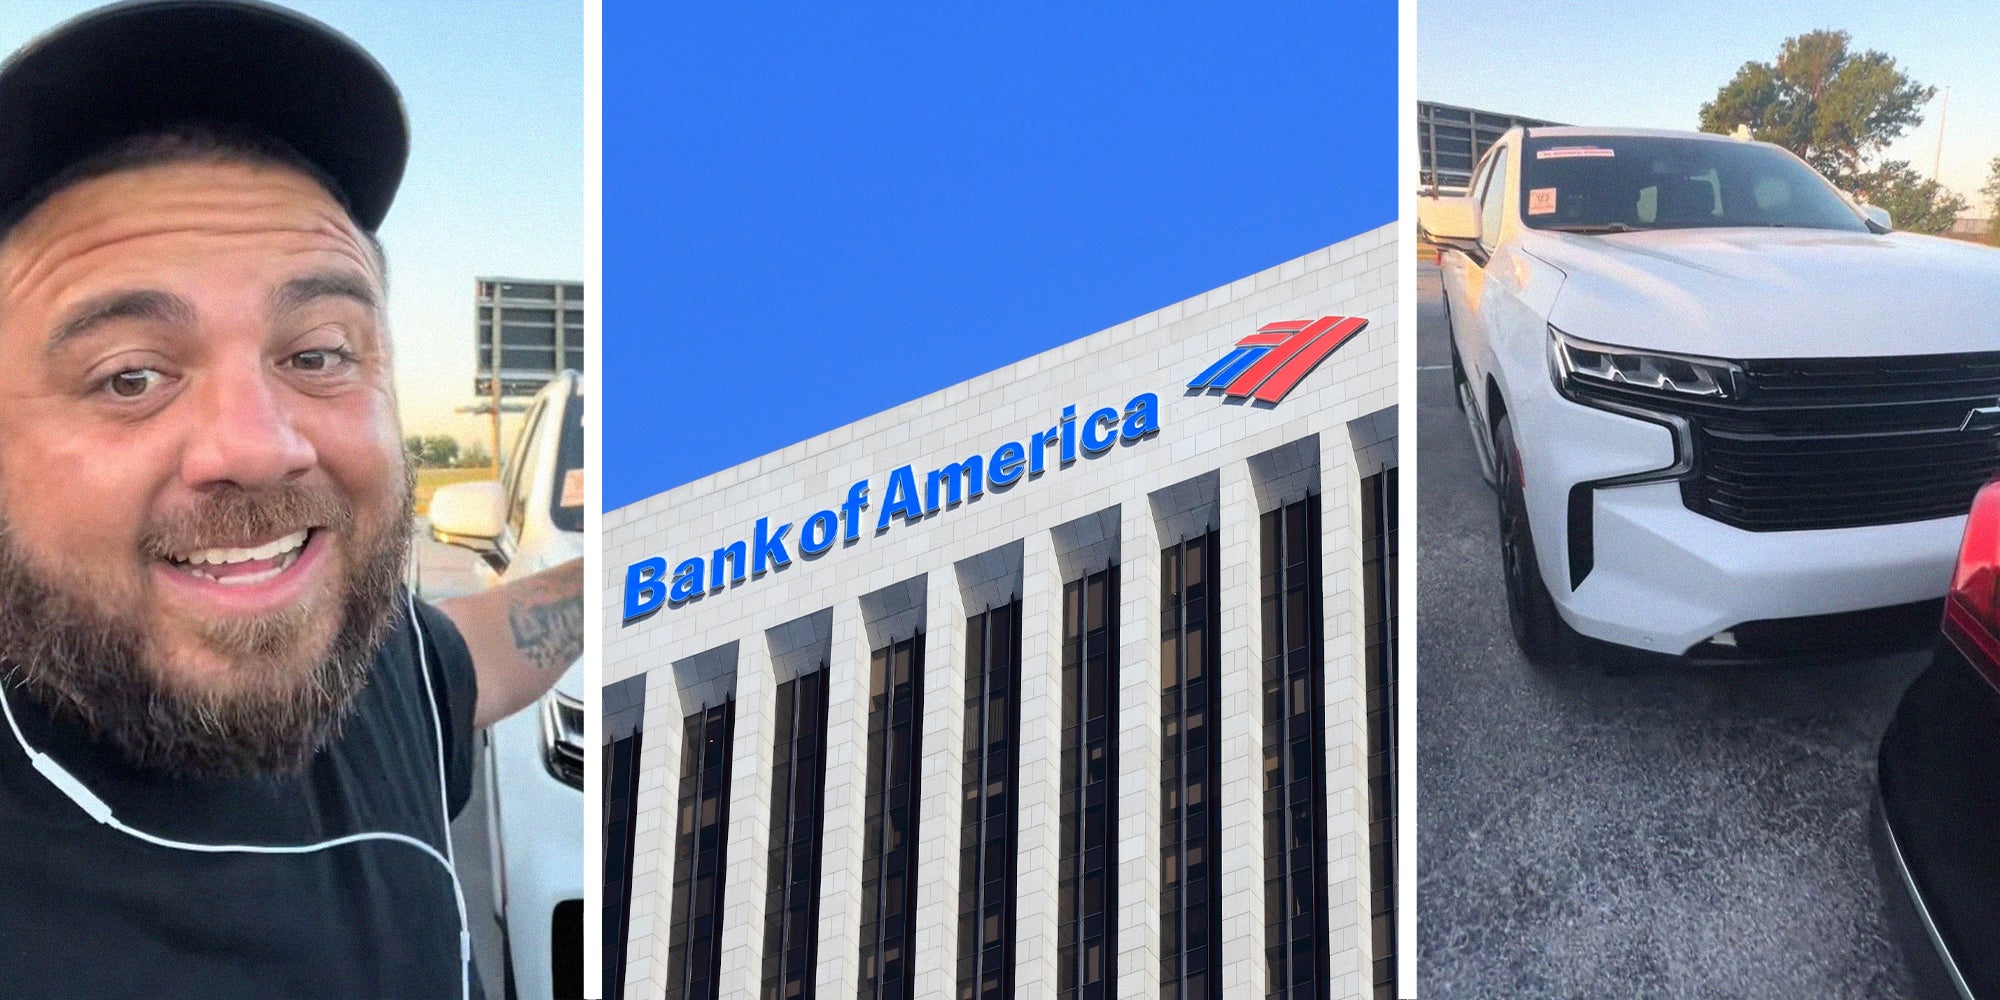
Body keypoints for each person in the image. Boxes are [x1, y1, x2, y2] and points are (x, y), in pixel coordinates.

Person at [0, 3, 582, 997]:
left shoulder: (373, 660)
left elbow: (481, 654)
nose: (263, 448)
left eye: (317, 355)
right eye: (131, 375)